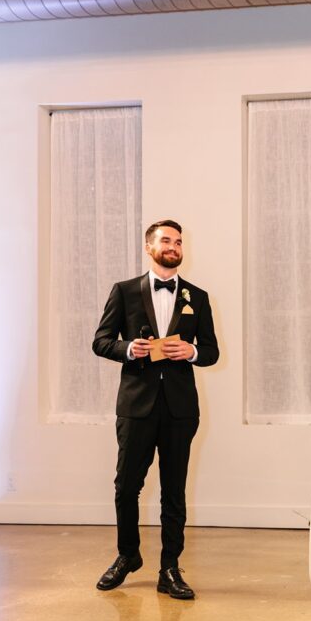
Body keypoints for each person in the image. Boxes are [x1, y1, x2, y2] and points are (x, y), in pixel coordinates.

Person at [92, 219, 219, 600]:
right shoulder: (124, 291)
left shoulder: (198, 296)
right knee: (126, 486)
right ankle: (127, 555)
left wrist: (191, 351)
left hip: (180, 410)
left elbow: (211, 351)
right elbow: (101, 341)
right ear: (149, 247)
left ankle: (169, 568)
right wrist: (129, 349)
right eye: (166, 240)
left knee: (174, 491)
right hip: (136, 406)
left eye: (178, 242)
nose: (173, 247)